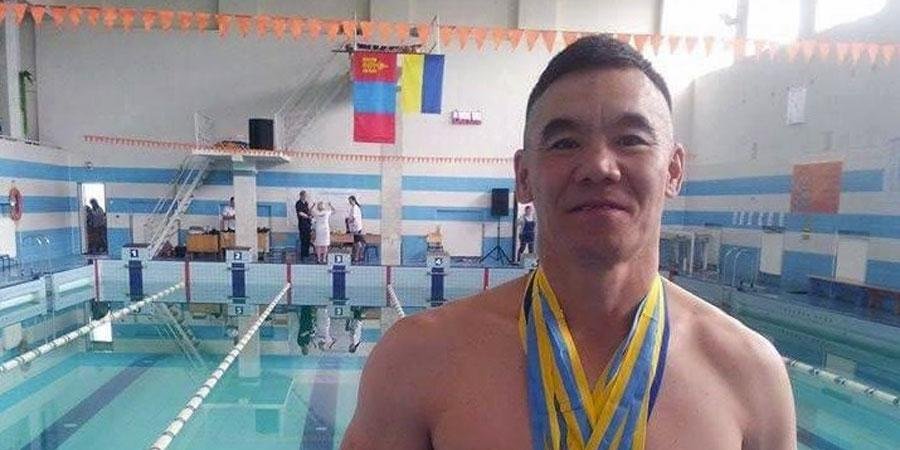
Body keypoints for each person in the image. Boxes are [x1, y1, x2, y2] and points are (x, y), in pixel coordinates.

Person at [342, 35, 795, 450]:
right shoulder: (417, 360)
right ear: (524, 176)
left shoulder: (749, 374)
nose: (599, 166)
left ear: (674, 170)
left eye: (631, 140)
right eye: (564, 143)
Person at [347, 195, 366, 262]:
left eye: (350, 201)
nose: (349, 202)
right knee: (357, 243)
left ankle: (357, 257)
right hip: (356, 227)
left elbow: (353, 218)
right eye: (349, 201)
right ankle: (358, 256)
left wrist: (349, 221)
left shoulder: (355, 207)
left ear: (353, 200)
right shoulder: (355, 207)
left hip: (356, 228)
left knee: (358, 244)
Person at [295, 191, 312, 262]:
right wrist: (307, 216)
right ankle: (303, 256)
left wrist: (310, 215)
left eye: (306, 195)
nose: (305, 197)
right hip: (302, 224)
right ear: (301, 196)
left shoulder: (306, 203)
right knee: (303, 240)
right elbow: (300, 213)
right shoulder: (298, 203)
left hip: (308, 224)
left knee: (308, 239)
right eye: (304, 195)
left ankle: (307, 254)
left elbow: (307, 212)